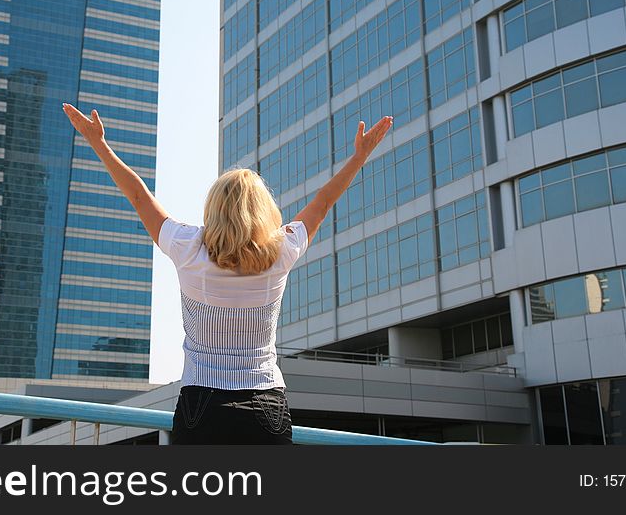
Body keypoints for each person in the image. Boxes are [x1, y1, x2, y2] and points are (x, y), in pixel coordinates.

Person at [63, 102, 393, 444]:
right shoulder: (282, 250)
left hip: (201, 404)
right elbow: (323, 203)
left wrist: (98, 143)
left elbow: (138, 197)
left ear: (213, 207)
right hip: (266, 403)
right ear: (264, 210)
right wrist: (359, 156)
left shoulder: (187, 246)